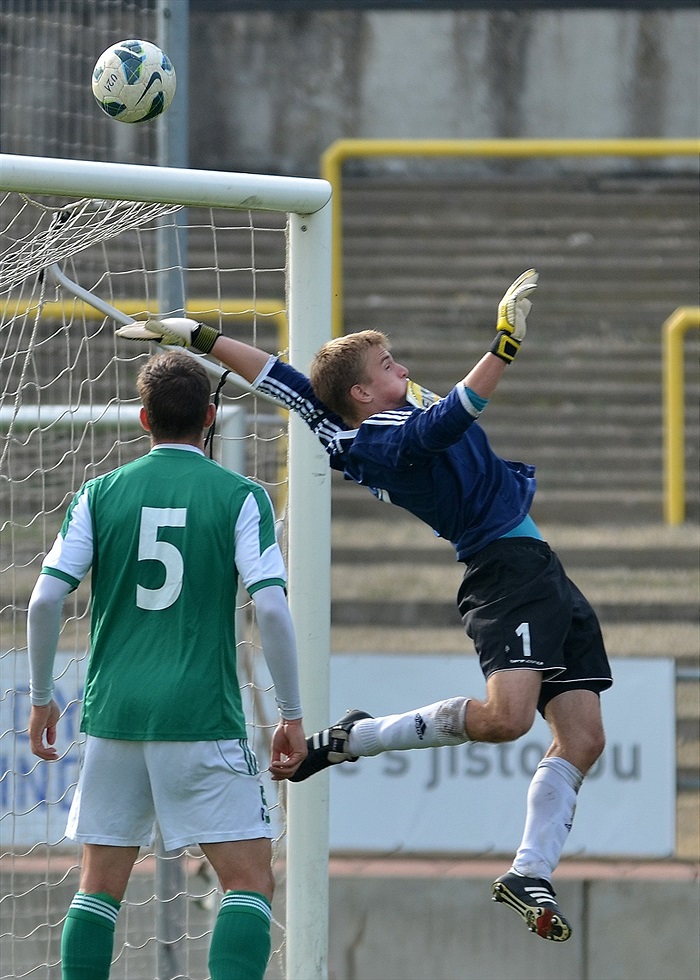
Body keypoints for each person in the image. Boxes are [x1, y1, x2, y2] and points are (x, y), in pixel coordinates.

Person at [117, 270, 612, 944]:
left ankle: (529, 872)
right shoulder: (384, 440)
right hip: (505, 571)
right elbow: (456, 414)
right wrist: (503, 349)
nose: (402, 368)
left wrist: (202, 336)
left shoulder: (347, 417)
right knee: (507, 719)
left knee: (584, 737)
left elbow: (280, 379)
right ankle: (358, 737)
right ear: (361, 393)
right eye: (388, 365)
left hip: (539, 565)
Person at [27, 350, 307, 980]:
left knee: (99, 886)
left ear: (144, 419)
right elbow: (273, 612)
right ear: (210, 417)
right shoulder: (242, 496)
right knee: (248, 880)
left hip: (113, 715)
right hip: (201, 713)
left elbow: (46, 600)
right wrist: (290, 713)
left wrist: (44, 695)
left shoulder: (99, 493)